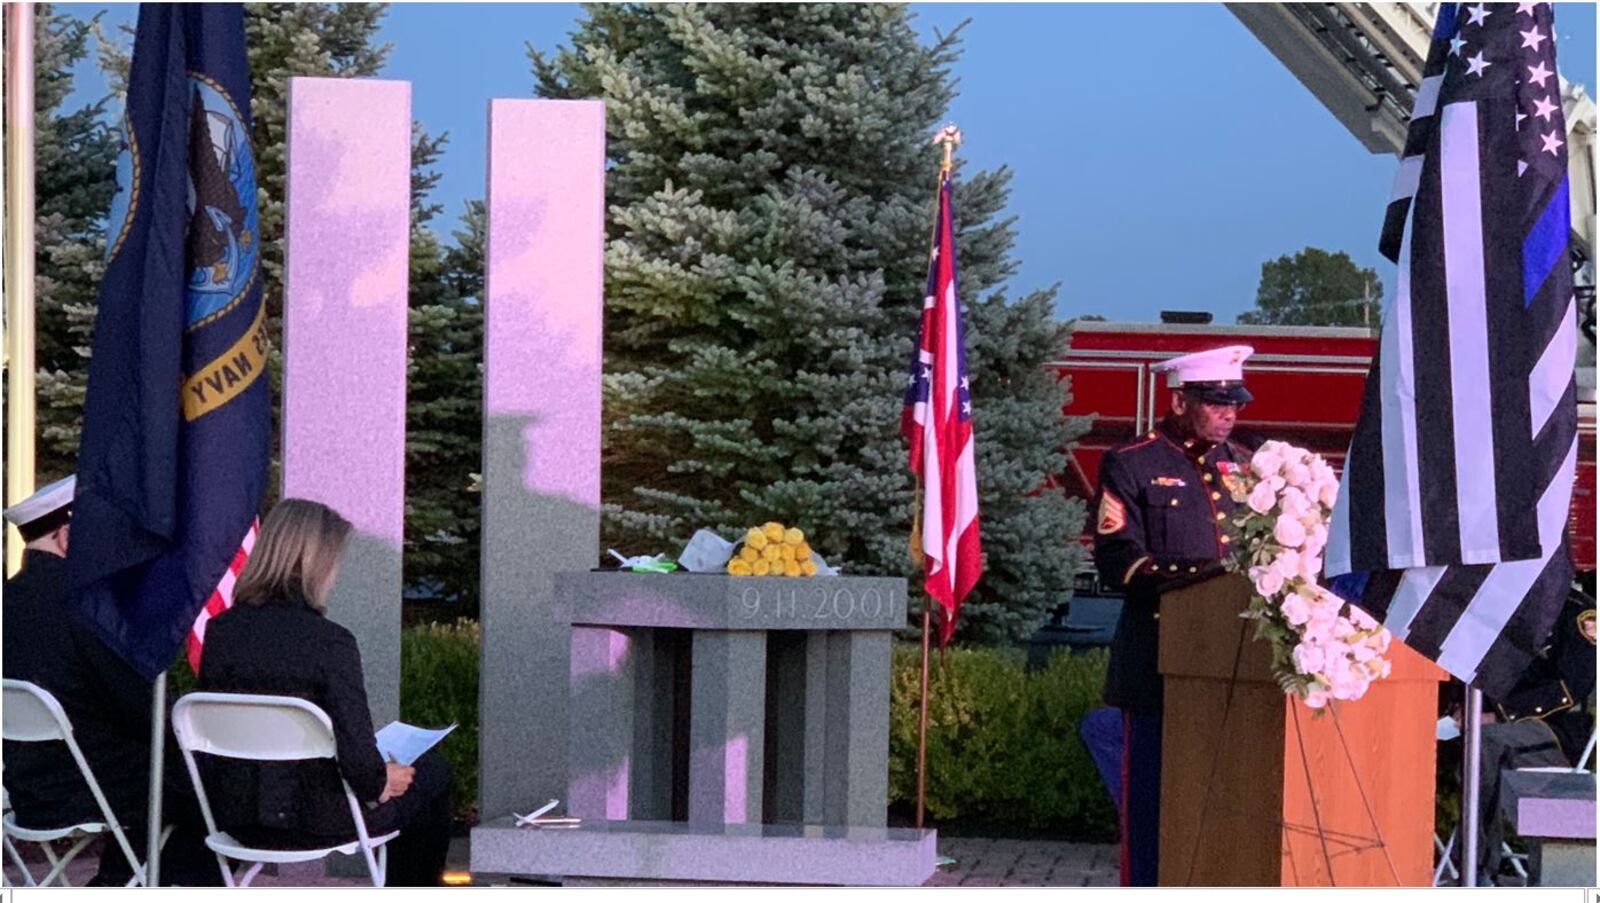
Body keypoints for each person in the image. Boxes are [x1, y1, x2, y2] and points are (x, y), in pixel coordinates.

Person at [195, 498, 452, 886]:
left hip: (235, 819)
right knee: (433, 773)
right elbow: (363, 771)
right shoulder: (331, 643)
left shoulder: (220, 634)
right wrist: (384, 779)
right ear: (317, 562)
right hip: (315, 820)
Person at [1091, 345, 1258, 887]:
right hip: (1160, 667)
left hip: (1235, 668)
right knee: (1152, 809)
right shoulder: (1133, 462)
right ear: (1182, 400)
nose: (1229, 413)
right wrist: (1207, 575)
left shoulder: (1246, 464)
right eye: (1215, 403)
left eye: (1234, 403)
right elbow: (1123, 562)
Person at [1, 475, 218, 886]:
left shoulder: (8, 602)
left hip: (31, 788)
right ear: (67, 538)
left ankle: (119, 879)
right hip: (96, 788)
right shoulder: (88, 609)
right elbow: (145, 711)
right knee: (218, 792)